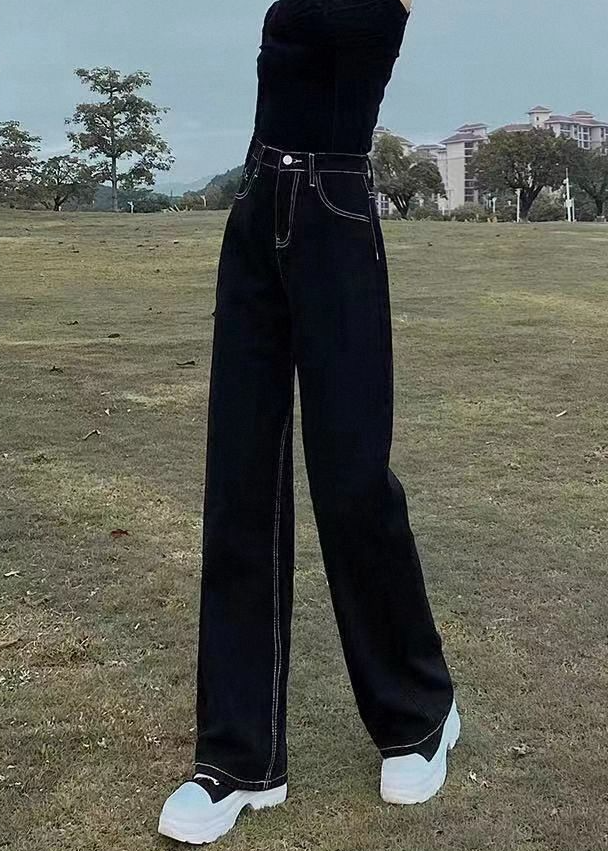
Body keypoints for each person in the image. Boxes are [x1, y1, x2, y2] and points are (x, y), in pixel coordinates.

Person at [159, 0, 459, 844]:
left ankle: (420, 713)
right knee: (240, 483)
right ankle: (238, 758)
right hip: (257, 209)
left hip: (338, 213)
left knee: (353, 480)